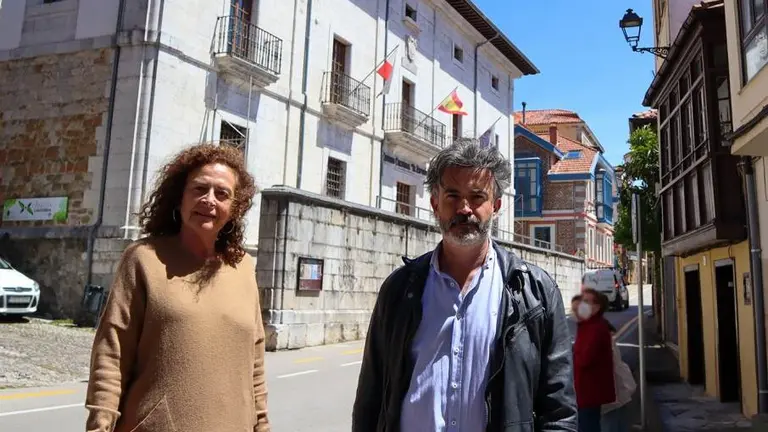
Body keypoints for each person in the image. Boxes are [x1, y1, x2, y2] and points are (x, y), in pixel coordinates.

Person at [352, 138, 577, 431]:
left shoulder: (535, 292)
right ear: (435, 203)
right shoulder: (399, 289)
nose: (464, 208)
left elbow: (559, 410)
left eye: (477, 197)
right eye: (453, 196)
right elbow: (370, 397)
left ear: (495, 205)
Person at [85, 144, 270, 432]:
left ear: (234, 209)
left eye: (222, 194)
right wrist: (100, 423)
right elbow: (113, 351)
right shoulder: (143, 259)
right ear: (179, 198)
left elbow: (255, 360)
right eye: (199, 189)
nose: (209, 200)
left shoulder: (244, 267)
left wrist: (262, 424)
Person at [573, 289, 616, 432]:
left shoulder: (595, 328)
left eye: (586, 301)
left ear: (596, 308)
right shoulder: (589, 325)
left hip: (589, 391)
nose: (581, 305)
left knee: (588, 426)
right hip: (586, 391)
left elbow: (584, 359)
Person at [601, 325, 637, 432]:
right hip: (618, 397)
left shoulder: (605, 345)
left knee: (610, 423)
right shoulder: (611, 345)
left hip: (608, 400)